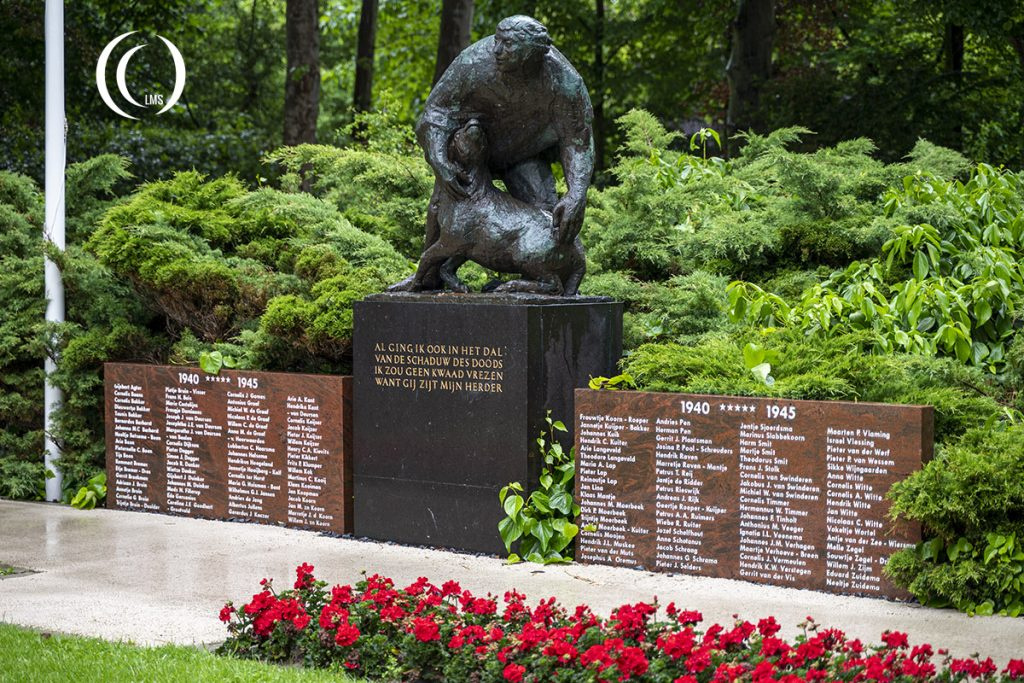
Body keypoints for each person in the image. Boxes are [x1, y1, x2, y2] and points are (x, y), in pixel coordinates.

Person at [390, 15, 594, 292]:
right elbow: (435, 114)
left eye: (508, 44)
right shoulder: (474, 62)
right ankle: (429, 275)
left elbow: (577, 141)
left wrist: (576, 193)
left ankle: (543, 284)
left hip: (524, 154)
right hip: (471, 150)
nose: (496, 50)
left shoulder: (565, 82)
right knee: (446, 204)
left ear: (533, 52)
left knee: (545, 217)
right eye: (497, 40)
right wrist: (440, 159)